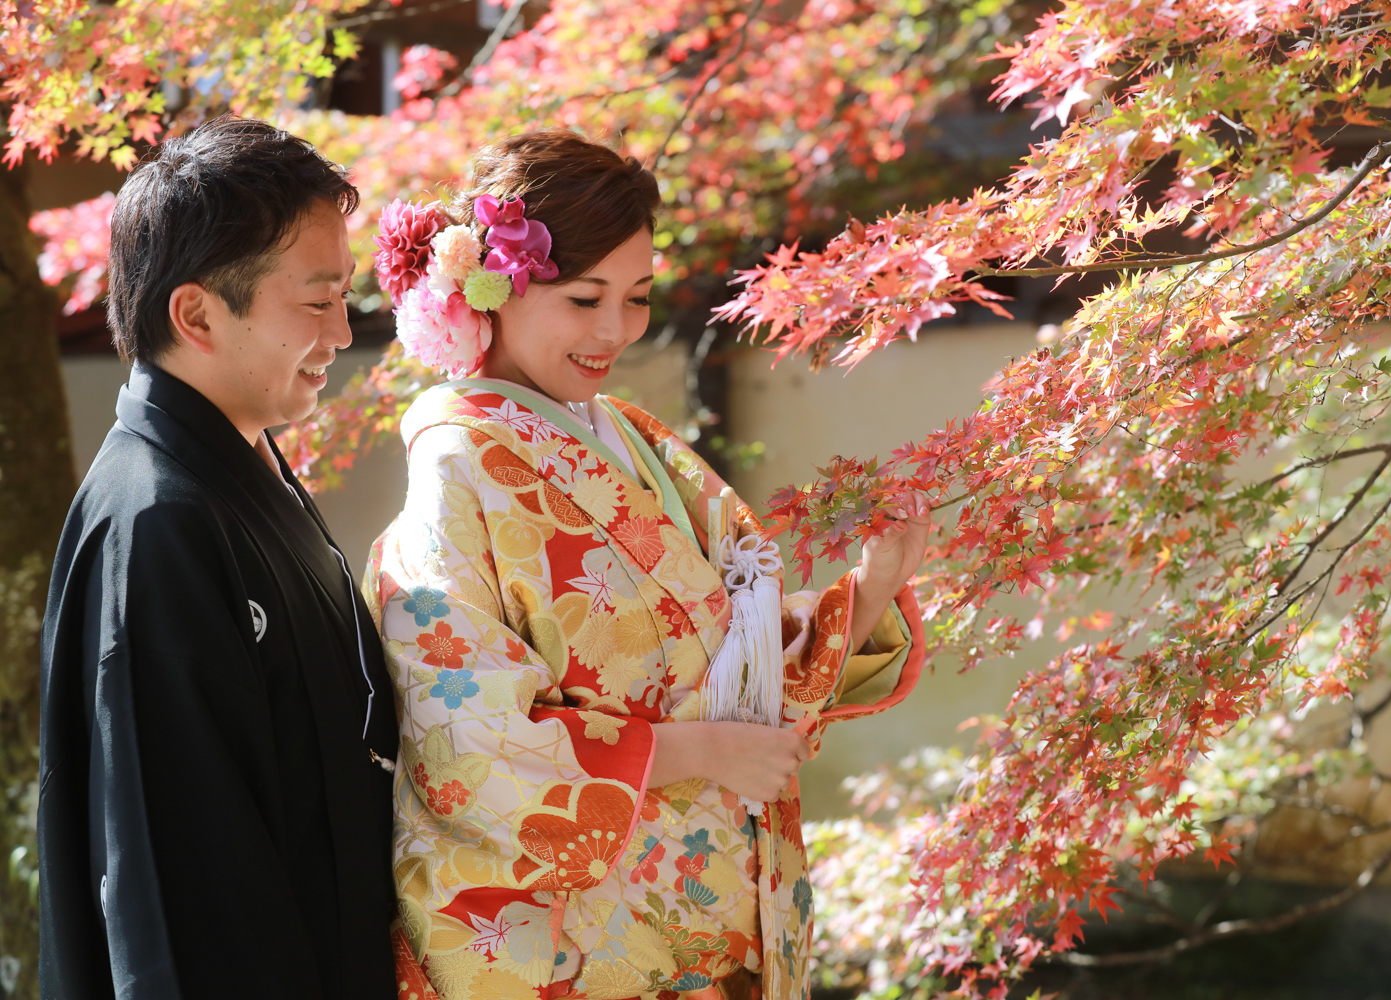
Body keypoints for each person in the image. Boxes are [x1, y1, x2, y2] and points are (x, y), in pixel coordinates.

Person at [366, 129, 931, 1000]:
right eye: (585, 298)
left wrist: (874, 588)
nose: (615, 331)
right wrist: (702, 750)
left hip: (711, 925)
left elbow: (727, 656)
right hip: (592, 948)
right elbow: (468, 741)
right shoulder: (459, 462)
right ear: (492, 289)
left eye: (636, 297)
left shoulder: (628, 435)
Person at [38, 116, 399, 999]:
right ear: (196, 312)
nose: (342, 334)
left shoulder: (241, 475)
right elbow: (180, 882)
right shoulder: (156, 522)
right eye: (316, 302)